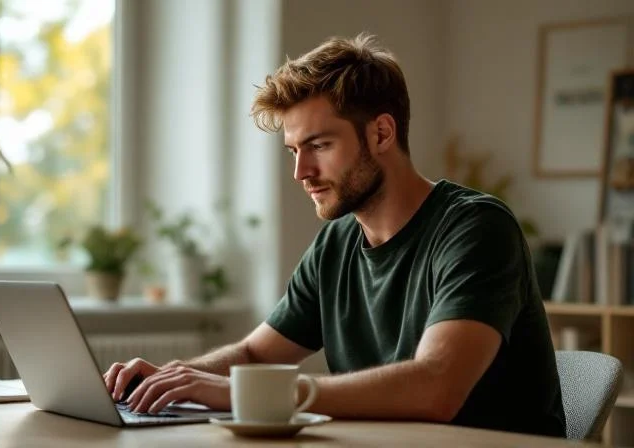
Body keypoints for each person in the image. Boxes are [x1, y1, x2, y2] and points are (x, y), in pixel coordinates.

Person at [103, 32, 566, 437]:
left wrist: (243, 394)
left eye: (319, 145)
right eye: (293, 151)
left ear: (381, 133)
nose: (301, 171)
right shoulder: (337, 243)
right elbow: (256, 354)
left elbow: (435, 387)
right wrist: (172, 378)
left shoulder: (476, 228)